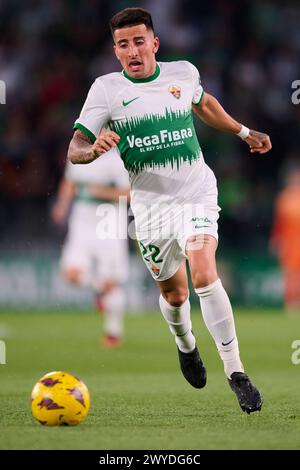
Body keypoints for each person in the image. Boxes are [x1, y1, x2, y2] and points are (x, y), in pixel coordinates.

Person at [67, 7, 272, 413]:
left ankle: (236, 371)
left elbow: (205, 104)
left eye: (139, 41)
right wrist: (92, 150)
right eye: (123, 44)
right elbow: (75, 149)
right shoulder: (105, 91)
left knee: (203, 271)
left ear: (154, 43)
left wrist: (245, 132)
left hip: (196, 191)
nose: (132, 50)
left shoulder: (182, 73)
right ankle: (185, 343)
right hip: (150, 209)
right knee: (174, 294)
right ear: (116, 51)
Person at [52, 147, 130, 347]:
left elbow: (129, 194)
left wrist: (101, 191)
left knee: (111, 282)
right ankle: (98, 289)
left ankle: (113, 332)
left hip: (108, 221)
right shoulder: (77, 152)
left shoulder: (116, 160)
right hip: (82, 220)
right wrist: (62, 205)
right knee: (71, 275)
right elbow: (70, 180)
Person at [270, 166, 300, 313]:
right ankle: (292, 304)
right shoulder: (284, 198)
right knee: (291, 274)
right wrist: (276, 240)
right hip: (290, 242)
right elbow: (279, 223)